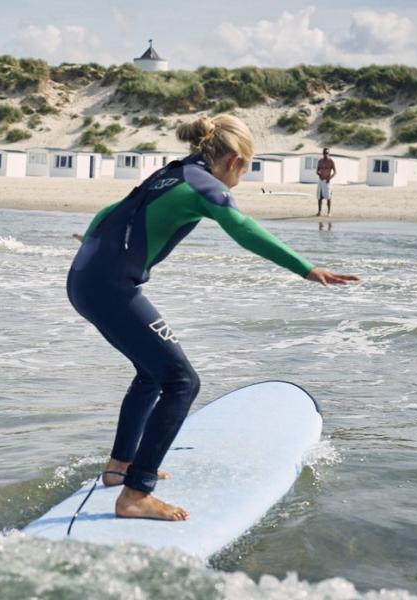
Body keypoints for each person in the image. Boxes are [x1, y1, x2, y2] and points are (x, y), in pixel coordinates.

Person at [67, 114, 358, 521]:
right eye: (249, 166)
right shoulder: (205, 185)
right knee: (182, 381)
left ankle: (120, 468)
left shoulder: (173, 173)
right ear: (236, 160)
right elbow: (242, 229)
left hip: (84, 279)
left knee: (152, 374)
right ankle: (136, 494)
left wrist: (93, 241)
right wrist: (305, 268)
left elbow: (113, 209)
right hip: (109, 288)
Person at [316, 148, 336, 216]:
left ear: (329, 153)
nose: (325, 154)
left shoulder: (331, 161)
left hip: (327, 181)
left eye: (327, 153)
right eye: (324, 153)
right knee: (319, 197)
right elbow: (317, 171)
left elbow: (335, 172)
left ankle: (329, 212)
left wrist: (329, 178)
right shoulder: (320, 161)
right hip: (321, 180)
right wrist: (319, 174)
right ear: (323, 153)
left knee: (328, 197)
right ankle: (319, 212)